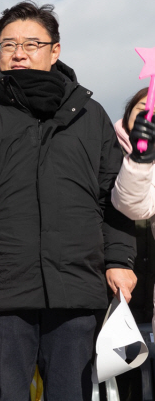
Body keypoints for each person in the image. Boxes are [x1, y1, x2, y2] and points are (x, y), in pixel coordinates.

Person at [0, 1, 137, 401]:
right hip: (0, 287)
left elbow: (115, 196)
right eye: (8, 45)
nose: (18, 52)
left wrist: (120, 259)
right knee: (4, 393)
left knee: (71, 393)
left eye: (31, 43)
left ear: (55, 51)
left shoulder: (89, 116)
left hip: (76, 285)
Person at [112, 88, 155, 331]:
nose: (150, 117)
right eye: (143, 109)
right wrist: (140, 159)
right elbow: (132, 205)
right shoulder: (108, 151)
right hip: (119, 276)